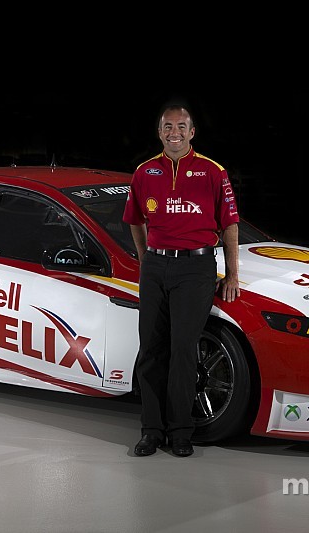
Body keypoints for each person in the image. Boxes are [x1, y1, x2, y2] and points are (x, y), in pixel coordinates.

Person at [122, 103, 240, 457]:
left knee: (184, 351)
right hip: (157, 269)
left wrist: (233, 273)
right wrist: (146, 260)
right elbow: (134, 219)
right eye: (168, 127)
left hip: (196, 270)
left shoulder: (212, 172)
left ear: (192, 133)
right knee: (151, 351)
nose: (175, 132)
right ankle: (151, 431)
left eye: (181, 126)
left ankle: (180, 432)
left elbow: (230, 224)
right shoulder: (144, 172)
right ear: (160, 133)